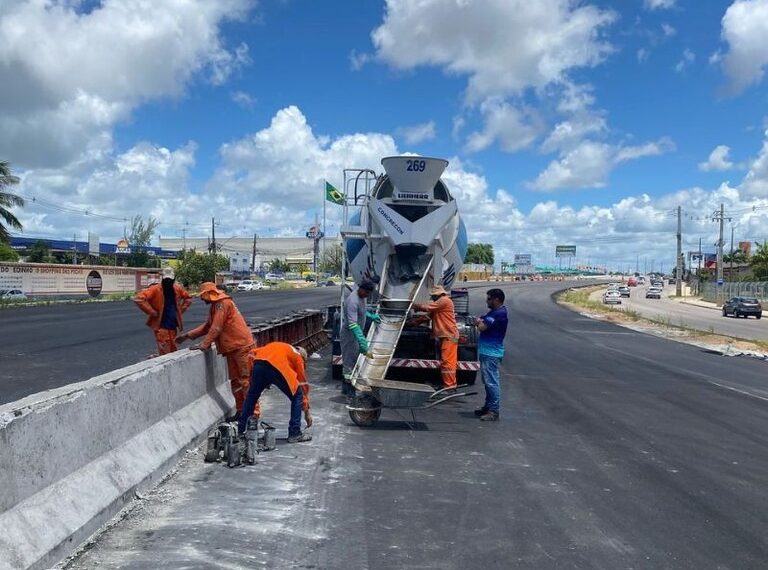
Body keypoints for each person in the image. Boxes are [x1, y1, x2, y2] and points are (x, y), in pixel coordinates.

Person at [177, 282, 259, 420]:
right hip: (233, 348)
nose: (202, 299)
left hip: (241, 347)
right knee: (236, 382)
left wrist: (204, 344)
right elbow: (208, 326)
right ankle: (241, 411)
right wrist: (187, 336)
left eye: (202, 296)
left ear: (208, 294)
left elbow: (216, 327)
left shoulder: (222, 304)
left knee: (245, 381)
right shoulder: (216, 306)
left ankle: (252, 415)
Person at [238, 342, 313, 443]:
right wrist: (307, 413)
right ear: (302, 356)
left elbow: (252, 353)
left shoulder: (280, 346)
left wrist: (252, 374)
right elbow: (302, 384)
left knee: (252, 396)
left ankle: (241, 430)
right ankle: (295, 433)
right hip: (277, 367)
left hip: (259, 364)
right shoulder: (298, 357)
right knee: (297, 395)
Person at [134, 267, 192, 356]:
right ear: (162, 278)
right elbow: (139, 299)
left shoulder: (177, 288)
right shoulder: (155, 289)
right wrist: (152, 312)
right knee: (165, 347)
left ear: (174, 278)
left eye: (170, 279)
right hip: (161, 324)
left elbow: (188, 298)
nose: (168, 281)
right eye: (166, 279)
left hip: (173, 324)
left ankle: (168, 358)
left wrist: (180, 310)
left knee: (172, 346)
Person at [412, 285, 459, 389]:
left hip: (449, 335)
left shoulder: (444, 301)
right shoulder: (440, 304)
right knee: (446, 362)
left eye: (433, 296)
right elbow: (428, 316)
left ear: (437, 295)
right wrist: (415, 322)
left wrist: (414, 306)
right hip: (445, 335)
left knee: (448, 363)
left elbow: (428, 308)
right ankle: (449, 385)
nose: (432, 298)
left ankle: (450, 386)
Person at [474, 288, 508, 421]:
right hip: (486, 351)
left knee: (491, 382)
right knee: (487, 382)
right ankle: (488, 406)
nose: (486, 301)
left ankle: (493, 410)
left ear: (496, 299)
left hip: (491, 353)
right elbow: (483, 320)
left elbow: (482, 327)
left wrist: (479, 322)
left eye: (489, 298)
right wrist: (480, 321)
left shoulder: (498, 314)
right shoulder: (493, 313)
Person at [340, 279, 379, 379]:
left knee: (356, 356)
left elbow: (361, 311)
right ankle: (348, 382)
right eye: (366, 292)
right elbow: (353, 324)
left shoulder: (363, 296)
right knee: (349, 358)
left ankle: (354, 376)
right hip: (349, 334)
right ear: (361, 289)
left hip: (356, 333)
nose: (367, 295)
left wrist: (370, 315)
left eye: (369, 293)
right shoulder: (353, 301)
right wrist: (362, 340)